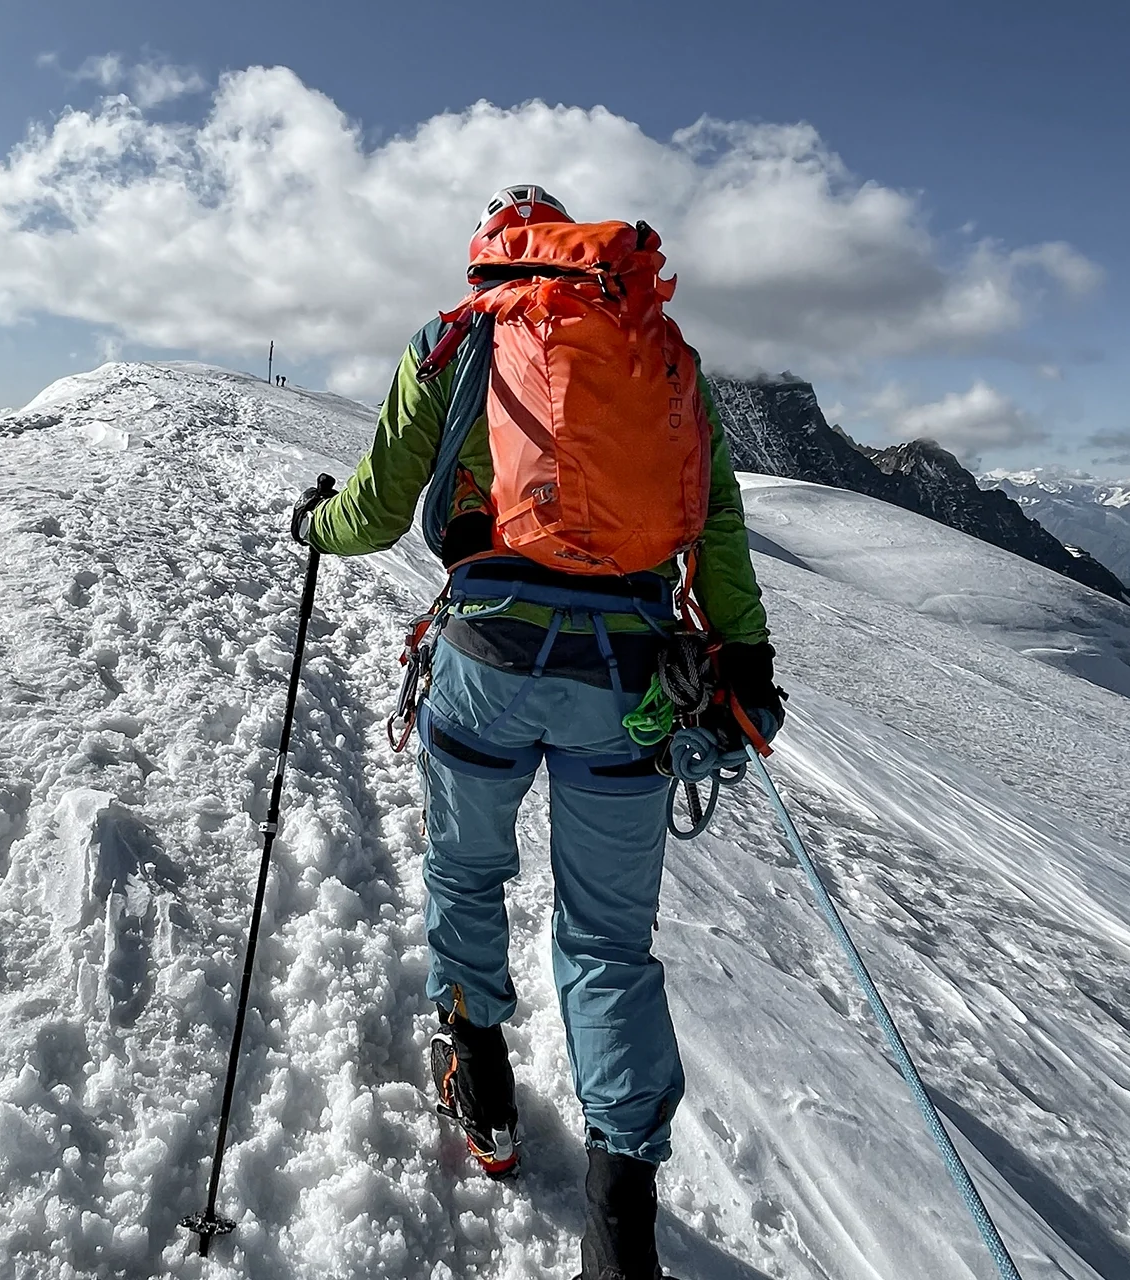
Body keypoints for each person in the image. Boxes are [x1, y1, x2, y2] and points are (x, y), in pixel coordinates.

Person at [292, 184, 781, 1280]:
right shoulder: (663, 356)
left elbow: (374, 510)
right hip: (630, 680)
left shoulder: (454, 341)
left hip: (488, 659)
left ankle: (480, 1076)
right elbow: (717, 525)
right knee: (608, 941)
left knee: (466, 870)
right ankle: (620, 1222)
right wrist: (743, 660)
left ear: (490, 258)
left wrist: (310, 522)